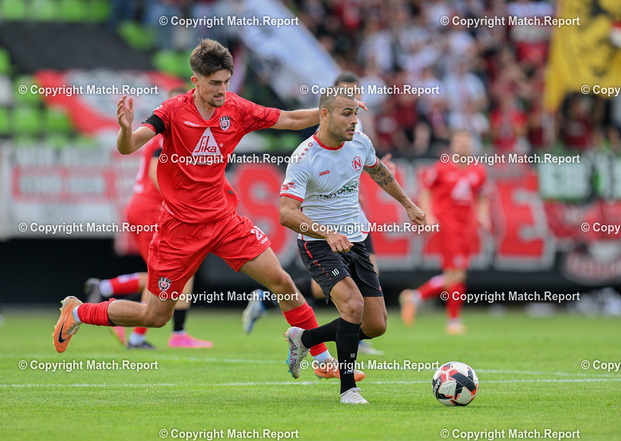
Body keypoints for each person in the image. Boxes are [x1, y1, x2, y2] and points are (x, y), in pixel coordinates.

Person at [52, 39, 353, 378]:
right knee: (155, 316)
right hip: (179, 230)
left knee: (282, 282)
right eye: (214, 83)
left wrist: (333, 113)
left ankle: (323, 360)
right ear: (195, 81)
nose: (222, 90)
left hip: (224, 221)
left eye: (226, 81)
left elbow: (291, 119)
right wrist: (124, 130)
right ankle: (78, 313)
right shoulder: (171, 111)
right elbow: (129, 145)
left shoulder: (236, 108)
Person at [279, 86, 426, 404]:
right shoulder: (305, 157)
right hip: (319, 244)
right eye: (346, 114)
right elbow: (286, 214)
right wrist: (327, 234)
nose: (354, 120)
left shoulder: (360, 142)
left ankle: (304, 338)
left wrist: (408, 204)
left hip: (355, 241)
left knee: (376, 325)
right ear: (324, 115)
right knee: (353, 307)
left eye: (355, 113)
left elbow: (379, 171)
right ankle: (348, 390)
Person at [242, 71, 385, 357]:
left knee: (366, 292)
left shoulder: (357, 128)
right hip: (328, 226)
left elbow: (358, 166)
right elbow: (315, 177)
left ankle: (343, 331)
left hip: (355, 221)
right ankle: (341, 339)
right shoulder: (322, 135)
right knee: (339, 292)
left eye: (356, 94)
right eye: (346, 93)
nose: (353, 99)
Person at [83, 88, 212, 350]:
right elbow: (156, 171)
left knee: (172, 273)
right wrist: (183, 204)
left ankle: (108, 291)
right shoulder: (169, 133)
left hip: (147, 208)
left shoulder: (171, 132)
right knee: (170, 274)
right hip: (152, 210)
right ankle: (152, 334)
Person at [400, 130, 489, 334]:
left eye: (466, 142)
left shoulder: (478, 170)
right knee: (456, 273)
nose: (463, 146)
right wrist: (429, 216)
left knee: (456, 274)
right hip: (447, 225)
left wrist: (483, 216)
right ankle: (453, 321)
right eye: (459, 142)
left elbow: (482, 196)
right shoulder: (441, 168)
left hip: (467, 227)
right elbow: (426, 190)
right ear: (453, 145)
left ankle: (416, 297)